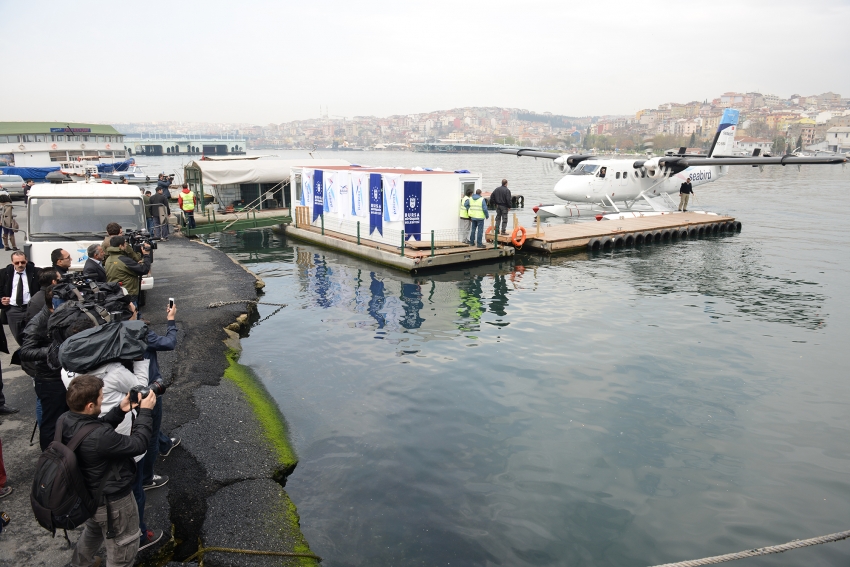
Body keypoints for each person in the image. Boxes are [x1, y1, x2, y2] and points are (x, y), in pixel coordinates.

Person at [61, 307, 163, 553]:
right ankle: (137, 538)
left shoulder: (67, 372)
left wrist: (119, 409)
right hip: (119, 451)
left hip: (89, 470)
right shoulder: (114, 372)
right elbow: (140, 387)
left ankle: (84, 556)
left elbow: (104, 420)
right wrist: (139, 357)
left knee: (95, 524)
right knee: (134, 491)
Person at [60, 374, 156, 566]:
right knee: (123, 548)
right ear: (89, 406)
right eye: (101, 398)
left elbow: (91, 430)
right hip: (114, 503)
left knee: (93, 531)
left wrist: (120, 410)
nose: (103, 399)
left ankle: (79, 564)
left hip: (90, 495)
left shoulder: (66, 419)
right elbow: (138, 444)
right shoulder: (100, 437)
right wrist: (145, 413)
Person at [141, 303, 179, 491]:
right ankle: (147, 479)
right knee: (150, 432)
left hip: (127, 388)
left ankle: (165, 444)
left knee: (150, 430)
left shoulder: (108, 331)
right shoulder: (141, 333)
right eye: (134, 310)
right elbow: (169, 343)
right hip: (148, 390)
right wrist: (171, 320)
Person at [20, 285, 64, 448]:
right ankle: (50, 460)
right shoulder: (38, 322)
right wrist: (55, 350)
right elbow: (25, 352)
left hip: (63, 375)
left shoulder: (60, 316)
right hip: (49, 380)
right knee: (51, 424)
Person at [1, 250, 41, 345]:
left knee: (34, 336)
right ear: (12, 263)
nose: (20, 265)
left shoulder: (36, 272)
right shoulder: (4, 273)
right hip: (13, 310)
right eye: (17, 263)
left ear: (26, 261)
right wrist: (2, 299)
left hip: (30, 309)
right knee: (19, 338)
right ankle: (24, 354)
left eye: (22, 262)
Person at [105, 236, 151, 305]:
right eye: (125, 244)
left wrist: (134, 264)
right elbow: (143, 270)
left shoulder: (109, 259)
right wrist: (146, 255)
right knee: (131, 313)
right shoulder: (124, 260)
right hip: (128, 293)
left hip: (116, 292)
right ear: (120, 246)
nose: (126, 246)